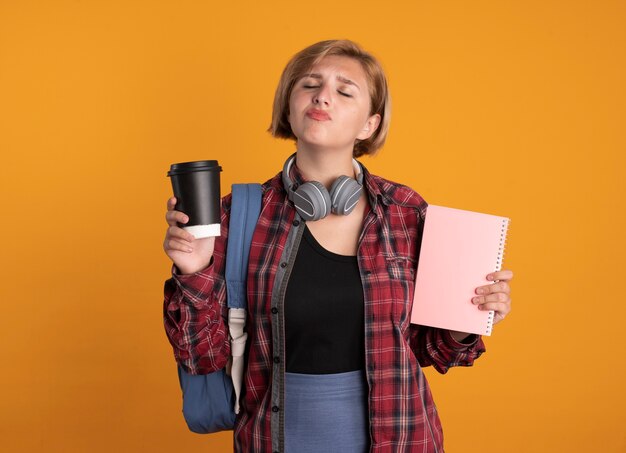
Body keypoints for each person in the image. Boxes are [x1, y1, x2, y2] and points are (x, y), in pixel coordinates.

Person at [163, 39, 513, 453]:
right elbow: (201, 358)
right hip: (275, 441)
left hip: (402, 439)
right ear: (289, 110)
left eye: (345, 91)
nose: (323, 96)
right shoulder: (237, 216)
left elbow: (430, 349)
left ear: (369, 125)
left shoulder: (405, 211)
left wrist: (469, 317)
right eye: (310, 85)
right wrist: (193, 272)